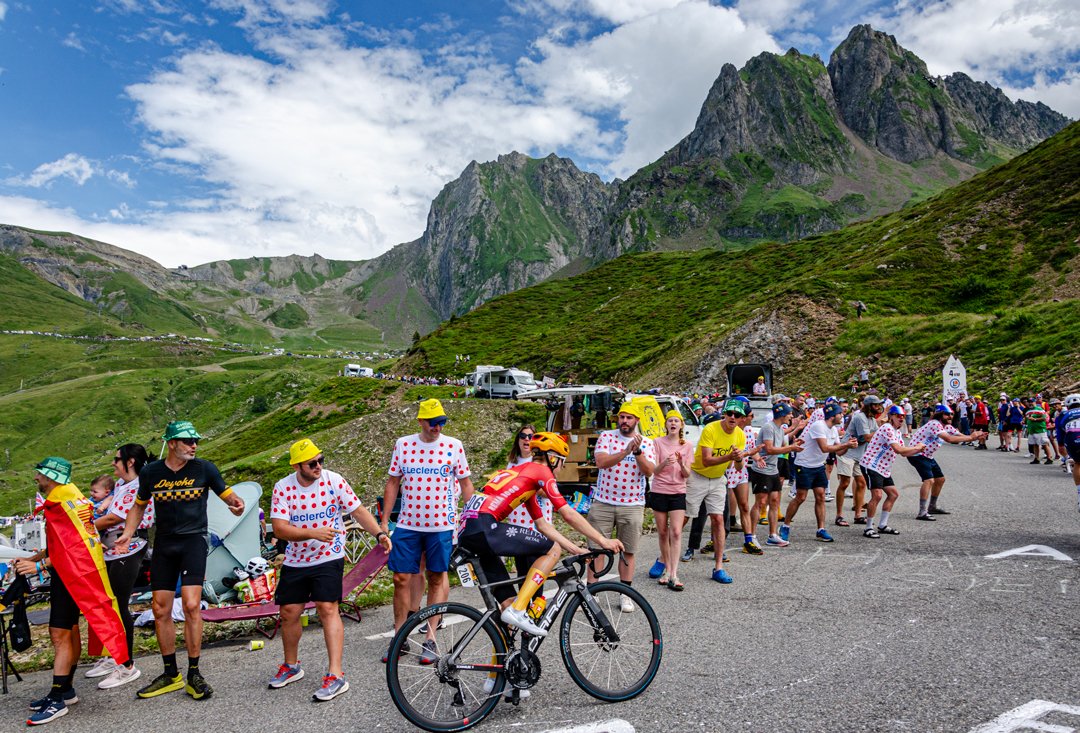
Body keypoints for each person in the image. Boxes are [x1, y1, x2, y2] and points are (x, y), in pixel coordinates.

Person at [115, 420, 244, 701]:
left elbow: (229, 495)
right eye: (188, 441)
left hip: (193, 542)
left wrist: (237, 505)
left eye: (196, 440)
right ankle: (170, 673)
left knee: (191, 605)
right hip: (164, 545)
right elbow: (138, 506)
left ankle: (194, 673)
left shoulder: (204, 469)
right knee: (160, 609)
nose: (194, 445)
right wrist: (127, 533)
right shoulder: (151, 472)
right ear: (171, 443)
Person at [458, 433, 623, 641]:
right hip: (484, 526)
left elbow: (542, 525)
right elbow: (568, 513)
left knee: (506, 605)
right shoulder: (541, 471)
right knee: (552, 549)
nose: (562, 468)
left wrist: (576, 549)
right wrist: (603, 540)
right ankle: (519, 608)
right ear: (553, 458)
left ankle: (500, 659)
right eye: (562, 462)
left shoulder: (524, 475)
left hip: (468, 531)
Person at [267, 439, 391, 701]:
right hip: (296, 559)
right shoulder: (283, 487)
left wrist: (379, 534)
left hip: (329, 555)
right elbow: (279, 528)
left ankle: (335, 674)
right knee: (289, 612)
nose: (318, 466)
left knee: (327, 607)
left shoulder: (333, 480)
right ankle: (291, 666)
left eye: (321, 460)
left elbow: (358, 511)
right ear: (297, 466)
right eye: (312, 463)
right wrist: (312, 533)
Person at [16, 457, 131, 725]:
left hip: (71, 575)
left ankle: (58, 698)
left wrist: (39, 566)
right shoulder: (72, 497)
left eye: (39, 474)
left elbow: (74, 546)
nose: (36, 478)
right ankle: (65, 690)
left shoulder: (60, 502)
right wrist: (34, 559)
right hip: (73, 574)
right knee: (68, 630)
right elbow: (63, 543)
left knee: (60, 634)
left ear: (51, 477)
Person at [380, 399, 474, 664]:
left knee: (436, 576)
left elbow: (466, 484)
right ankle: (399, 637)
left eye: (442, 422)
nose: (437, 427)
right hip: (408, 524)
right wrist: (385, 520)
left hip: (441, 525)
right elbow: (393, 482)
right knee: (401, 578)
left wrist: (472, 518)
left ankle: (430, 638)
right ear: (421, 421)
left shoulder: (453, 445)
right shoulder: (403, 444)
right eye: (433, 422)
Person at [86, 444, 155, 690]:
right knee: (109, 602)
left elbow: (114, 517)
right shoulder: (121, 485)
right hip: (111, 548)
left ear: (131, 461)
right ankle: (113, 654)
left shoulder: (139, 485)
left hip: (129, 546)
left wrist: (82, 527)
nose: (113, 463)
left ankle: (126, 665)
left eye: (117, 459)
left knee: (119, 603)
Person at [587, 399, 656, 609]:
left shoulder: (647, 443)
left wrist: (637, 452)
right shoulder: (607, 436)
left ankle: (625, 594)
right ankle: (591, 593)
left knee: (628, 550)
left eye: (629, 418)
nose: (624, 421)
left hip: (632, 504)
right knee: (596, 549)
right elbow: (601, 462)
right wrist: (625, 451)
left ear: (637, 420)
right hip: (603, 502)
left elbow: (649, 471)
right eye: (622, 417)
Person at [685, 399, 747, 583]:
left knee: (719, 519)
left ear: (741, 418)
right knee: (686, 517)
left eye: (737, 415)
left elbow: (738, 467)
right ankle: (664, 559)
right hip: (698, 475)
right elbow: (706, 460)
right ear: (724, 414)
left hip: (718, 478)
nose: (733, 417)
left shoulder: (740, 435)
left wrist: (738, 458)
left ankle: (718, 567)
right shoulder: (711, 429)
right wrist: (730, 456)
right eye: (730, 413)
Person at [781, 403, 856, 544]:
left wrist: (849, 446)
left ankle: (821, 530)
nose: (842, 416)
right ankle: (785, 526)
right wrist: (846, 444)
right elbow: (825, 448)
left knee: (820, 496)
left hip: (818, 465)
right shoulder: (819, 426)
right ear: (832, 416)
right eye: (840, 413)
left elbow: (839, 452)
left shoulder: (833, 430)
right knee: (801, 497)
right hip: (804, 464)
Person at [908, 404, 986, 519]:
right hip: (916, 453)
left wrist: (975, 437)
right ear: (939, 415)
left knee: (940, 479)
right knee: (929, 480)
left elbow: (962, 436)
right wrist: (971, 437)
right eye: (947, 414)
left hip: (927, 455)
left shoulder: (947, 427)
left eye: (951, 414)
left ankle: (932, 507)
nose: (950, 416)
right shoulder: (934, 423)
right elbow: (949, 439)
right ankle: (922, 512)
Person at [859, 407, 926, 537]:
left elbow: (904, 452)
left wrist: (918, 450)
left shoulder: (897, 432)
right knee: (877, 495)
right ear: (891, 417)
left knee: (893, 494)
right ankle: (868, 528)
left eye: (903, 416)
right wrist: (917, 447)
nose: (901, 418)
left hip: (883, 468)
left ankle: (882, 525)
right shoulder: (887, 428)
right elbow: (898, 449)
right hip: (871, 464)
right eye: (898, 415)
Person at [647, 411, 693, 590]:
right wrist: (665, 462)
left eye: (676, 421)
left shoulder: (687, 446)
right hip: (659, 490)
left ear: (681, 425)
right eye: (670, 421)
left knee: (676, 532)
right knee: (662, 532)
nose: (673, 423)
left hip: (677, 492)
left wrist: (681, 463)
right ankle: (666, 570)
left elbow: (687, 474)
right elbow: (654, 471)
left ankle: (674, 573)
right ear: (666, 424)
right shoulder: (657, 442)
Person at [751, 403, 803, 547]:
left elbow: (782, 444)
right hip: (762, 469)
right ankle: (751, 536)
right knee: (760, 502)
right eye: (789, 413)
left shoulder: (779, 428)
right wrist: (791, 448)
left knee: (774, 501)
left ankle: (772, 535)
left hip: (773, 469)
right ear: (782, 415)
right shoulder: (769, 427)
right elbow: (769, 449)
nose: (791, 416)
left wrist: (795, 441)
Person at [1054, 394, 1080, 510]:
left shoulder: (1063, 415)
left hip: (1072, 438)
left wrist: (1061, 444)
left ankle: (1079, 495)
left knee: (1078, 463)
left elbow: (1060, 435)